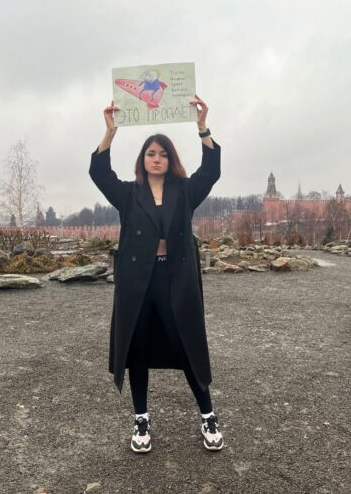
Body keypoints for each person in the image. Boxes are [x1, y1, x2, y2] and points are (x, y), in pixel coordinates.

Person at [89, 95, 224, 453]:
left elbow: (211, 171)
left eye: (162, 154)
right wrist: (110, 132)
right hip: (138, 284)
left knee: (188, 344)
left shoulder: (185, 192)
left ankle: (208, 414)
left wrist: (202, 127)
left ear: (170, 159)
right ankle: (141, 419)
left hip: (176, 280)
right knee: (139, 348)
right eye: (151, 153)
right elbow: (99, 172)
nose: (157, 159)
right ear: (143, 160)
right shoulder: (128, 194)